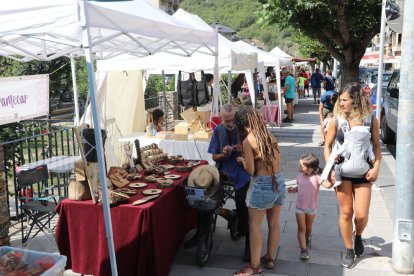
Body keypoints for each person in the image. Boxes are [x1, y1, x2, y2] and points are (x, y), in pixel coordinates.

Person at [324, 83, 382, 268]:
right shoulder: (335, 120)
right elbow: (327, 145)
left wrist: (376, 168)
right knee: (346, 212)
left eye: (344, 99)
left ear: (355, 100)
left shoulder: (370, 119)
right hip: (342, 173)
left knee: (362, 215)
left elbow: (377, 146)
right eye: (340, 99)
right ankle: (349, 249)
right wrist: (331, 169)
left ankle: (358, 236)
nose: (340, 103)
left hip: (364, 172)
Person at [233, 108, 286, 276]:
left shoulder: (249, 140)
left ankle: (255, 267)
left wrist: (242, 161)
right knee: (274, 223)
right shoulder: (268, 135)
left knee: (254, 226)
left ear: (241, 124)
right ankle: (270, 258)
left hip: (262, 184)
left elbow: (250, 170)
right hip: (278, 180)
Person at [207, 104, 251, 261]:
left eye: (232, 120)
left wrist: (244, 150)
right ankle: (205, 232)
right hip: (224, 169)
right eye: (226, 122)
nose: (230, 124)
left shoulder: (244, 130)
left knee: (240, 200)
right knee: (209, 197)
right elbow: (213, 157)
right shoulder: (218, 130)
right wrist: (222, 153)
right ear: (221, 119)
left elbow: (254, 155)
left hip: (241, 170)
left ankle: (246, 235)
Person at [293, 154, 330, 261]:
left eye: (301, 166)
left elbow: (328, 185)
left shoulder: (317, 178)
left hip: (311, 208)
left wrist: (332, 177)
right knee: (301, 228)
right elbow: (300, 186)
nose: (299, 167)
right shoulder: (299, 176)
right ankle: (303, 251)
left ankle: (307, 238)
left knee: (308, 228)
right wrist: (294, 189)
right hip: (299, 207)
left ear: (310, 169)